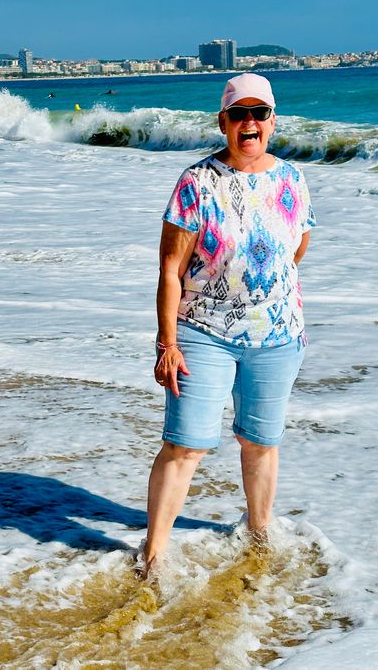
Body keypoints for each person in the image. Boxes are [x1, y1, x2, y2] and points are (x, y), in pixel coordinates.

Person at [143, 73, 316, 574]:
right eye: (239, 114)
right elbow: (171, 269)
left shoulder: (292, 179)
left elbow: (296, 249)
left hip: (278, 335)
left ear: (272, 122)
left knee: (261, 442)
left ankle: (259, 536)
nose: (249, 123)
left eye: (259, 114)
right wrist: (167, 343)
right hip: (203, 333)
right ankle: (153, 556)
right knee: (185, 445)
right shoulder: (196, 182)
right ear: (223, 122)